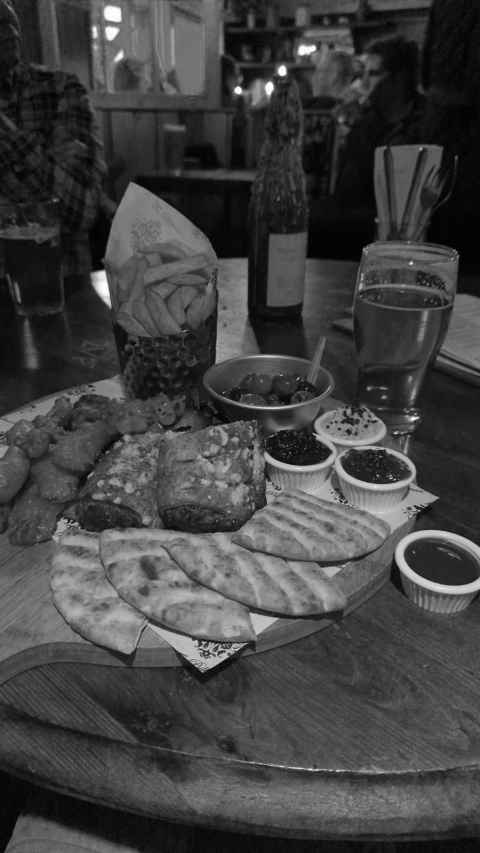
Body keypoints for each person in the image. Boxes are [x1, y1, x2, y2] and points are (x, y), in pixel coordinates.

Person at [0, 0, 106, 277]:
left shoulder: (58, 89)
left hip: (62, 289)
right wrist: (45, 156)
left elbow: (77, 211)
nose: (6, 13)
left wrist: (10, 142)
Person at [309, 35, 424, 259]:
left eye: (372, 74)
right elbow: (347, 191)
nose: (364, 84)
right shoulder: (366, 121)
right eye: (362, 75)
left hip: (400, 220)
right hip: (360, 215)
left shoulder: (423, 122)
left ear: (399, 79)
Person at [420, 0, 480, 265]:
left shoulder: (442, 4)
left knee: (440, 227)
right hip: (467, 126)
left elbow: (424, 73)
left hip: (438, 120)